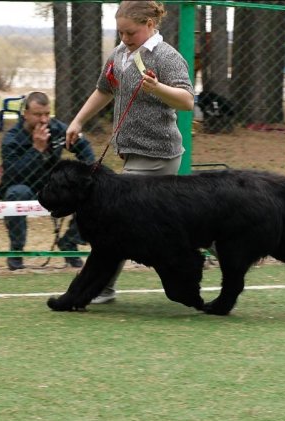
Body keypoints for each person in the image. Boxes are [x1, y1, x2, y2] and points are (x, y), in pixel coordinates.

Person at [65, 1, 194, 303]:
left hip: (158, 153)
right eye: (120, 33)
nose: (124, 38)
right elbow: (104, 90)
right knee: (136, 226)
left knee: (117, 223)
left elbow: (187, 100)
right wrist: (78, 120)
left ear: (150, 24)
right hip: (131, 153)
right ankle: (203, 245)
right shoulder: (120, 55)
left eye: (130, 32)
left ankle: (100, 288)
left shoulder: (166, 56)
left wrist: (158, 88)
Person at [0, 91, 95, 271]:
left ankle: (69, 242)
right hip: (22, 186)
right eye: (37, 115)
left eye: (46, 114)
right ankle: (17, 250)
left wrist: (91, 171)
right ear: (25, 114)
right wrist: (36, 150)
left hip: (52, 187)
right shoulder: (11, 139)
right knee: (17, 192)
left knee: (91, 191)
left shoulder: (57, 129)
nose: (43, 120)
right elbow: (12, 175)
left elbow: (83, 146)